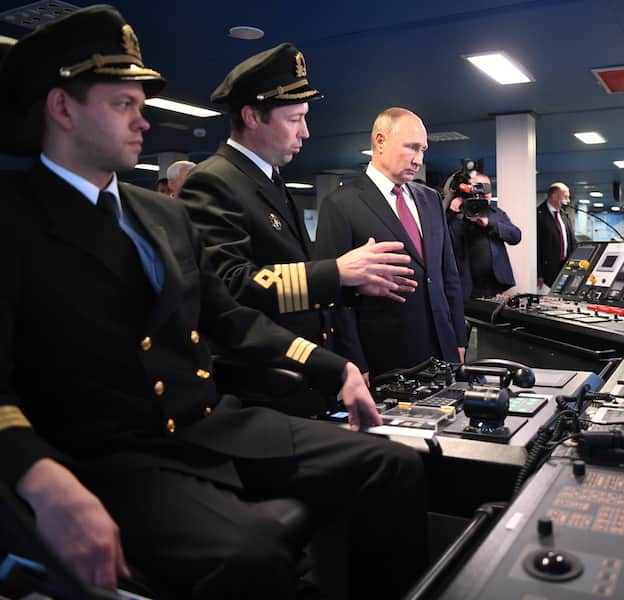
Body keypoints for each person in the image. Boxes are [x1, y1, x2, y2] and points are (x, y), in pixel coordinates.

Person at [0, 6, 426, 599]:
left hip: (209, 421)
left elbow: (226, 314)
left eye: (142, 104)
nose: (143, 120)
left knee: (397, 464)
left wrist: (335, 368)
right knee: (250, 552)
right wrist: (40, 478)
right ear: (62, 107)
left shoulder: (160, 213)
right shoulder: (14, 218)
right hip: (112, 453)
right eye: (124, 103)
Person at [180, 44, 416, 355]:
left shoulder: (269, 179)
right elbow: (228, 285)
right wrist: (336, 272)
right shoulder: (213, 181)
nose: (305, 132)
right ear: (252, 117)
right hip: (257, 376)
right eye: (294, 119)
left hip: (295, 366)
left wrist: (348, 285)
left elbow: (292, 274)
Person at [315, 107, 467, 379]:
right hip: (385, 356)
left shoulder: (430, 199)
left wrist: (458, 337)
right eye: (411, 147)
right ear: (380, 141)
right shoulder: (340, 204)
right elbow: (334, 298)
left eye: (423, 150)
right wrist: (354, 363)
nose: (418, 159)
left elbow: (447, 276)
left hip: (443, 350)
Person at [446, 172, 521, 298]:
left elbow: (516, 236)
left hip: (496, 284)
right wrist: (453, 214)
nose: (485, 192)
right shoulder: (458, 213)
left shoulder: (496, 213)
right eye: (479, 188)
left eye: (487, 188)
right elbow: (448, 241)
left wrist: (489, 224)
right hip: (466, 285)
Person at [536, 181, 575, 289]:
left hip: (565, 268)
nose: (568, 201)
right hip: (547, 272)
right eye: (566, 197)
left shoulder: (564, 215)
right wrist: (539, 274)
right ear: (554, 196)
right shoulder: (538, 215)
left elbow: (571, 242)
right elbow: (536, 247)